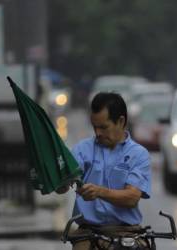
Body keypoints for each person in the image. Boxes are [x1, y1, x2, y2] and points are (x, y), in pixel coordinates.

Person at [58, 92, 151, 249]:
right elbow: (62, 187)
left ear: (121, 121)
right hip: (88, 234)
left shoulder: (138, 154)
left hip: (127, 233)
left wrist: (99, 192)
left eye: (103, 127)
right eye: (94, 127)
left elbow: (132, 198)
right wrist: (57, 178)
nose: (98, 133)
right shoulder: (82, 150)